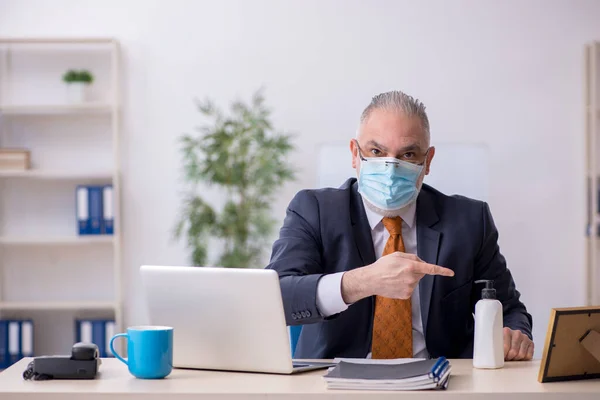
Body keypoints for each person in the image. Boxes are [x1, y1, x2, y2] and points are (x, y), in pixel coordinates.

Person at [266, 90, 533, 361]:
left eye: (407, 154)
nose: (390, 167)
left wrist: (513, 334)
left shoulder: (469, 221)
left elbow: (509, 309)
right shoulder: (314, 210)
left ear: (427, 162)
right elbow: (277, 297)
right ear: (355, 155)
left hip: (439, 382)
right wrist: (363, 281)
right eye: (376, 151)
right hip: (337, 383)